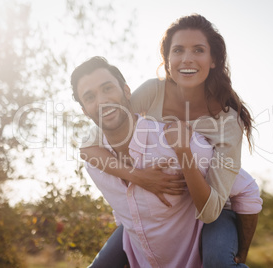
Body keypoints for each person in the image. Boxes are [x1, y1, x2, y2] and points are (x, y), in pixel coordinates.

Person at [78, 14, 262, 267]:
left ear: (214, 60)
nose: (187, 58)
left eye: (198, 50)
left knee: (219, 260)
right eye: (178, 50)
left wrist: (183, 150)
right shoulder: (154, 91)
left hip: (215, 207)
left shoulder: (228, 123)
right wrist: (139, 177)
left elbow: (212, 209)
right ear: (167, 60)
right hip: (166, 204)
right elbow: (93, 142)